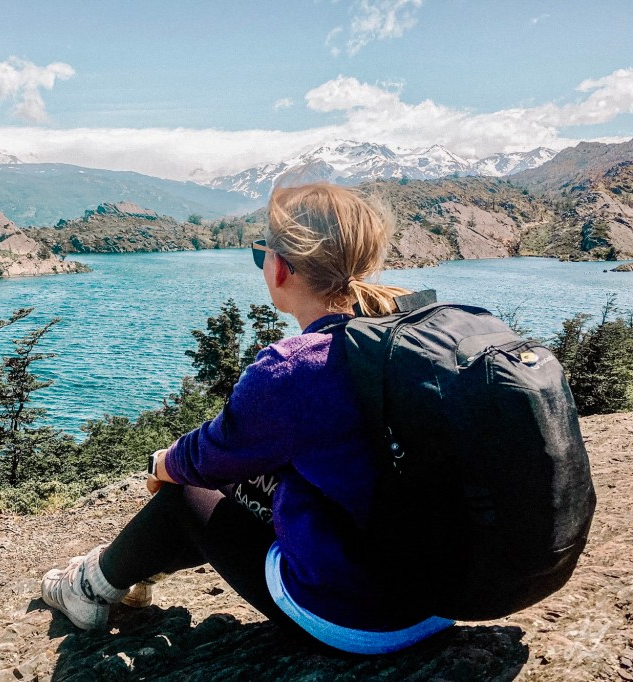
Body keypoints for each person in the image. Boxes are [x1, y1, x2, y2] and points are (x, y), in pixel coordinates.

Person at [41, 183, 454, 654]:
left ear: (279, 267)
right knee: (238, 480)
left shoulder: (294, 367)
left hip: (361, 618)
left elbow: (206, 456)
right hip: (438, 600)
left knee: (184, 493)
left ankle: (87, 588)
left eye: (263, 253)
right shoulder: (400, 339)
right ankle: (130, 570)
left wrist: (160, 463)